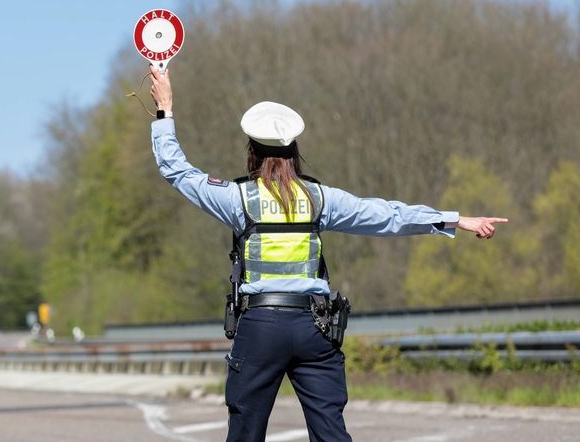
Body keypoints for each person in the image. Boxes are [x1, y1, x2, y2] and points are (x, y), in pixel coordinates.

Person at [148, 64, 507, 442]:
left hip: (260, 329)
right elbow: (387, 215)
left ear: (251, 152)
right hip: (313, 328)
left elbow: (177, 171)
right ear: (294, 152)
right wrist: (454, 220)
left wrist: (165, 109)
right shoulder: (320, 199)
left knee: (244, 433)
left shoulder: (235, 198)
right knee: (332, 434)